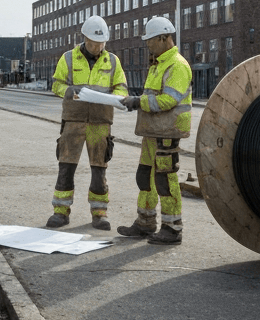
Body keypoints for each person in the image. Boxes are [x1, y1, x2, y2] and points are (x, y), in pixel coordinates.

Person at [116, 16, 193, 245]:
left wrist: (138, 102)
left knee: (165, 179)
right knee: (145, 176)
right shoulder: (158, 64)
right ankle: (145, 222)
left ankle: (172, 228)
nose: (147, 44)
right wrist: (137, 101)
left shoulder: (177, 65)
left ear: (164, 38)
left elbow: (169, 100)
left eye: (150, 40)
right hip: (153, 131)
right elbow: (153, 97)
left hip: (168, 132)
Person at [48, 15, 127, 231]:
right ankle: (60, 211)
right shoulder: (68, 58)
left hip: (100, 122)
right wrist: (69, 91)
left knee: (99, 169)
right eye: (93, 43)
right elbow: (56, 85)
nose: (97, 47)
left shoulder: (112, 61)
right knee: (66, 166)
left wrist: (118, 98)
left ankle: (99, 213)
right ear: (84, 39)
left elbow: (121, 87)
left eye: (101, 43)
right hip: (73, 120)